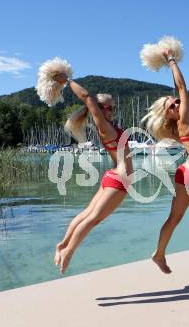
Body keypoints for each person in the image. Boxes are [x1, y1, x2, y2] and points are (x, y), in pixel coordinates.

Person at [53, 75, 133, 274]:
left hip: (113, 175)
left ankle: (62, 245)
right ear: (96, 109)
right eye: (107, 107)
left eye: (113, 107)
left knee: (87, 214)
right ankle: (69, 252)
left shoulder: (109, 127)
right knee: (93, 218)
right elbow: (87, 96)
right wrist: (67, 80)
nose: (111, 111)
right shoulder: (104, 126)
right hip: (119, 179)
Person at [142, 49, 189, 274]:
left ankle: (159, 254)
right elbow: (182, 87)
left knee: (175, 218)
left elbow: (178, 91)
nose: (178, 104)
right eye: (172, 106)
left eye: (177, 102)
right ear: (168, 114)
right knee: (174, 218)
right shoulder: (184, 121)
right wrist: (171, 60)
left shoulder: (179, 124)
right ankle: (158, 254)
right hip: (188, 174)